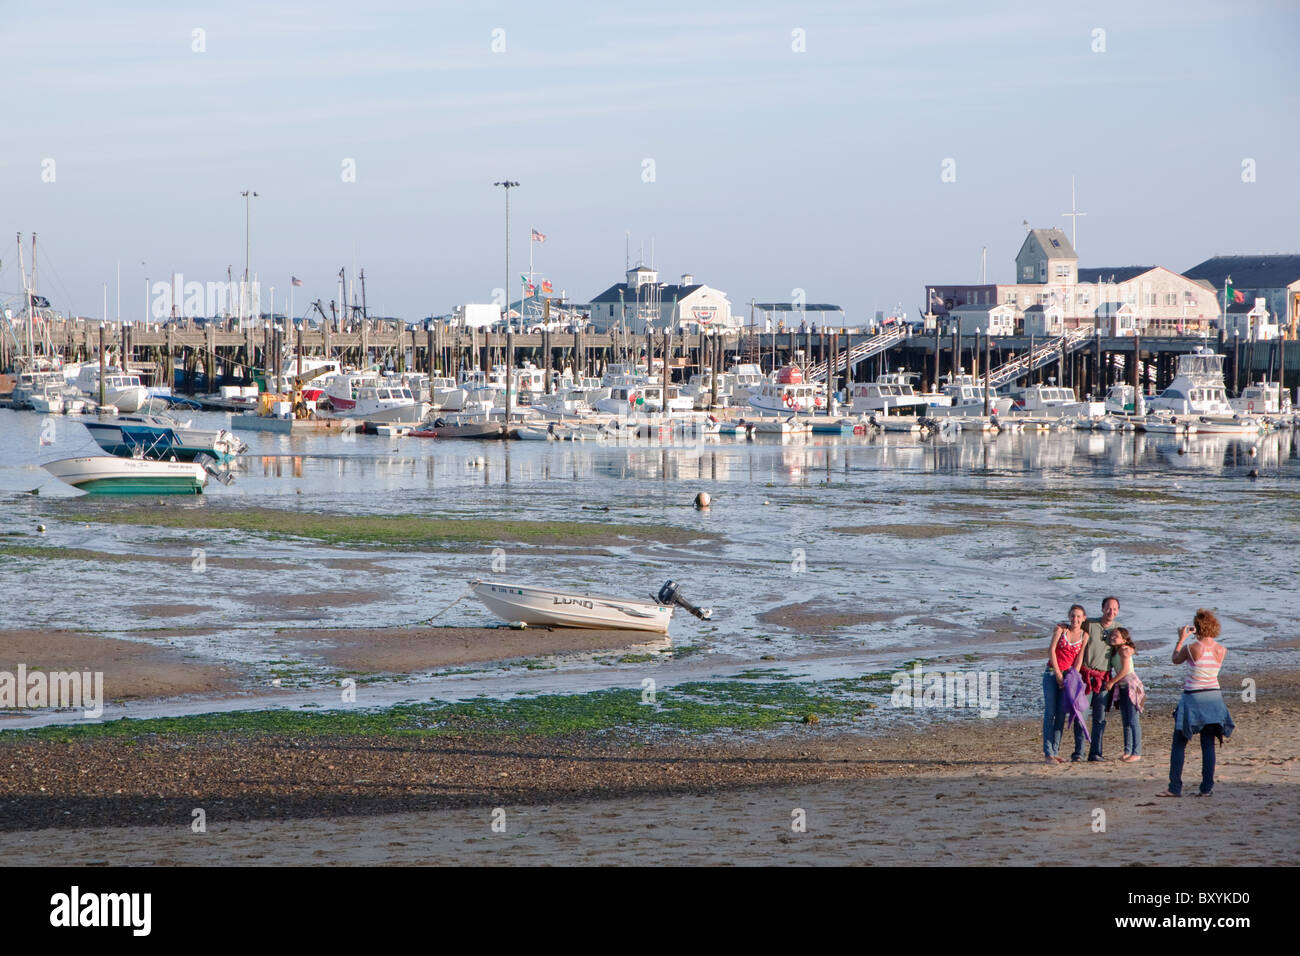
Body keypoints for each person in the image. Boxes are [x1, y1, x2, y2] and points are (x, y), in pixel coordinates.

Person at [1158, 609, 1234, 798]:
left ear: (1197, 627)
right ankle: (1206, 787)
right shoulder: (1221, 650)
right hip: (1214, 698)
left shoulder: (1192, 648)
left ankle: (1175, 787)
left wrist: (1181, 639)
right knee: (1208, 744)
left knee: (1179, 743)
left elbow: (1175, 660)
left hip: (1194, 697)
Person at [1073, 596, 1120, 761]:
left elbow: (1126, 652)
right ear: (1102, 608)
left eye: (1114, 609)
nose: (1111, 611)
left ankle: (1096, 753)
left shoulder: (1118, 629)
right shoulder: (1090, 624)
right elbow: (1075, 625)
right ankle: (1078, 753)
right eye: (1108, 608)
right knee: (1081, 716)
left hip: (1104, 680)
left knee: (1100, 718)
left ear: (1118, 611)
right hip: (1085, 677)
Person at [1043, 604, 1089, 764]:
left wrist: (1072, 677)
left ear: (1083, 618)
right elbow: (1051, 651)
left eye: (1078, 616)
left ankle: (1055, 751)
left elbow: (1079, 658)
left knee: (1061, 715)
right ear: (1069, 616)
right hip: (1051, 673)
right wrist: (1057, 674)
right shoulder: (1061, 631)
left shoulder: (1085, 636)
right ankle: (1048, 753)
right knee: (1050, 713)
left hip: (1068, 677)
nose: (1075, 619)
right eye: (1073, 616)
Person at [1102, 627, 1144, 761]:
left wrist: (1111, 682)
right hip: (1122, 686)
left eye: (1116, 636)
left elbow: (1125, 669)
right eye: (1112, 635)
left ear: (1124, 640)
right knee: (1126, 720)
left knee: (1132, 720)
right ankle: (1127, 750)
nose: (1113, 637)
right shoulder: (1117, 650)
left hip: (1130, 685)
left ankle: (1136, 752)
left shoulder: (1124, 650)